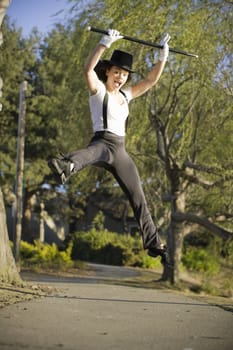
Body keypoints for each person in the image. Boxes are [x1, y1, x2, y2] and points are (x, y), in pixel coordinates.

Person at [48, 29, 171, 265]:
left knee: (139, 196)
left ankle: (154, 243)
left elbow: (151, 80)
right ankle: (66, 165)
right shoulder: (98, 91)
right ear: (107, 71)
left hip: (121, 150)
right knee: (90, 154)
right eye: (117, 72)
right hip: (102, 142)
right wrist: (103, 43)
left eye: (124, 74)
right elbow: (86, 69)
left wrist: (162, 55)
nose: (121, 78)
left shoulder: (126, 94)